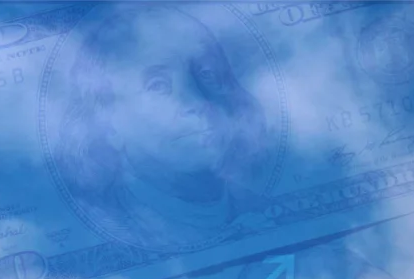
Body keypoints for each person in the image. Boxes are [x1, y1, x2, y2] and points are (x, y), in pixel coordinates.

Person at [54, 6, 271, 252]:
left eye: (206, 74)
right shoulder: (106, 234)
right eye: (158, 86)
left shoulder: (260, 210)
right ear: (108, 125)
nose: (197, 102)